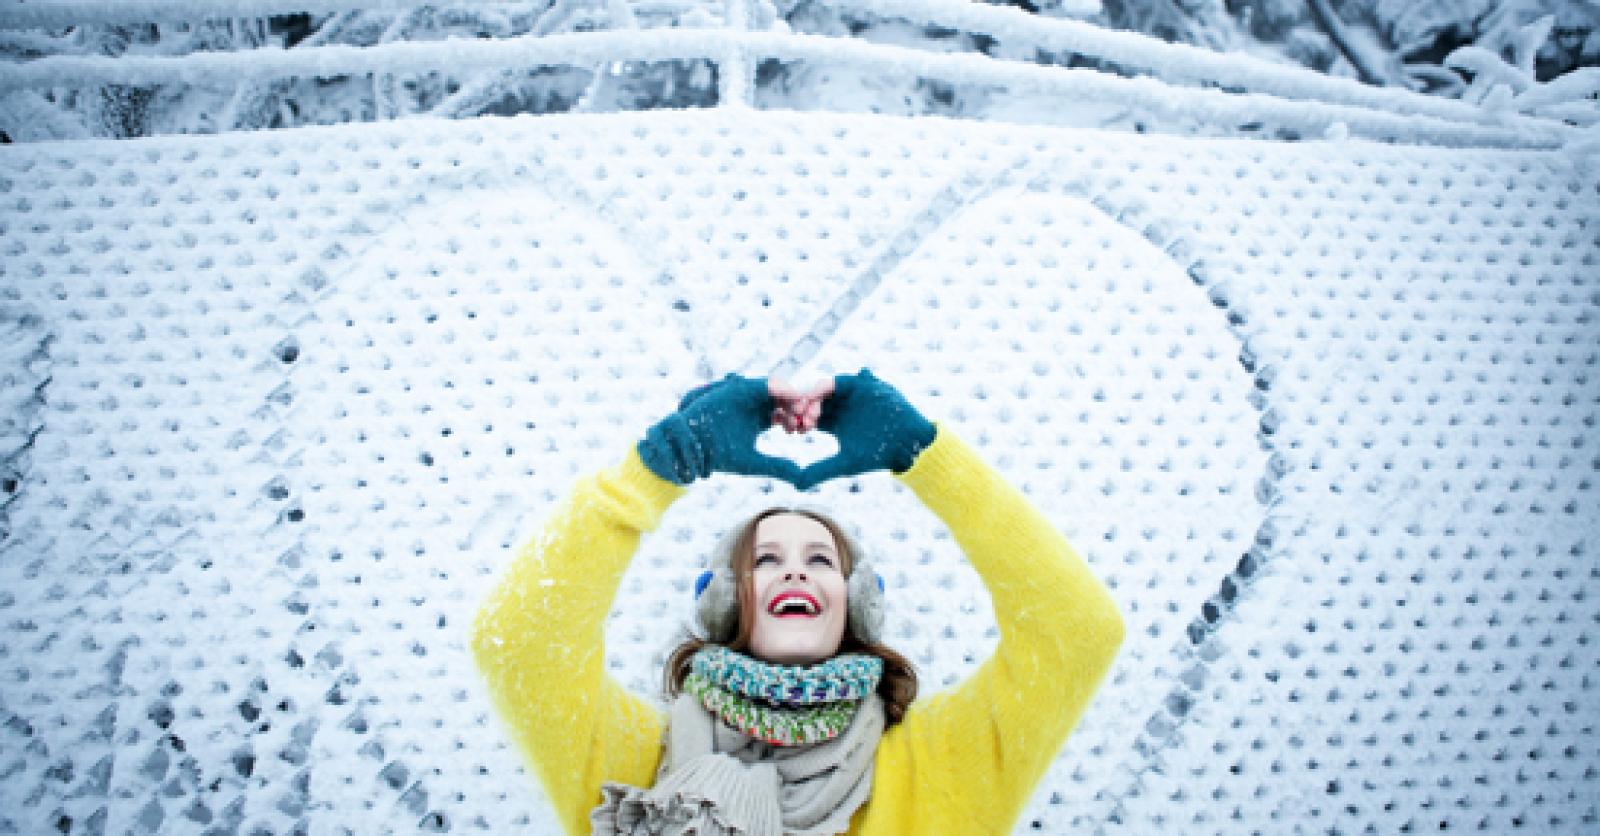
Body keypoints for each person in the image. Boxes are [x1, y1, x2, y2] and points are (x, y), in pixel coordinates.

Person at [472, 369, 1127, 834]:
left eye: (821, 560)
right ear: (728, 601)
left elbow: (1078, 632)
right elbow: (520, 644)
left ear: (855, 603)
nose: (797, 575)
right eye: (765, 560)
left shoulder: (942, 762)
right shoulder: (638, 760)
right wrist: (658, 467)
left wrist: (928, 459)